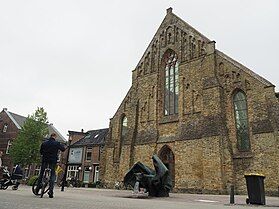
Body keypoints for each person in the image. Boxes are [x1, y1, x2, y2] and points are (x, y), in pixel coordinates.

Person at [36, 133, 66, 198]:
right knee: (52, 175)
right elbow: (63, 149)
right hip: (53, 161)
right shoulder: (57, 143)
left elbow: (41, 152)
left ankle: (38, 188)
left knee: (41, 173)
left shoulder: (44, 143)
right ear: (54, 137)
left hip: (45, 160)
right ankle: (50, 191)